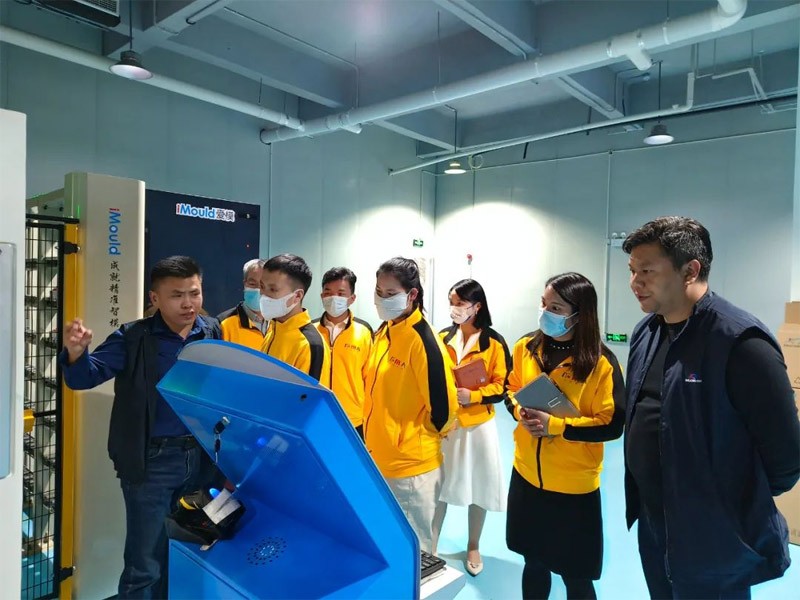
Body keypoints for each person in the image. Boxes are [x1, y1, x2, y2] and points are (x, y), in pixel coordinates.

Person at [623, 216, 800, 599]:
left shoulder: (741, 343)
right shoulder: (646, 332)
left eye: (647, 271)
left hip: (715, 539)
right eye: (632, 271)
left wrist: (725, 503)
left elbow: (786, 458)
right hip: (655, 527)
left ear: (690, 270)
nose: (635, 282)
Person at [60, 256, 222, 599]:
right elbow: (85, 377)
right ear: (155, 298)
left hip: (201, 458)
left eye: (194, 293)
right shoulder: (133, 337)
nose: (188, 303)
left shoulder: (211, 331)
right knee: (145, 562)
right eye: (177, 295)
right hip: (152, 462)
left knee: (189, 550)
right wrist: (76, 353)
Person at [505, 272, 625, 600]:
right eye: (544, 304)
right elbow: (510, 387)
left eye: (556, 308)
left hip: (573, 489)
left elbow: (612, 424)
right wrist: (520, 411)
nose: (545, 312)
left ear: (579, 314)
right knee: (533, 563)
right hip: (526, 476)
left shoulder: (601, 363)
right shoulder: (526, 347)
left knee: (576, 577)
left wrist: (556, 426)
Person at [363, 257, 458, 553]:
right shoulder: (384, 333)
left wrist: (408, 438)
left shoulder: (423, 341)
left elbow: (444, 411)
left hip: (411, 468)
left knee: (414, 553)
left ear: (412, 294)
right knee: (384, 545)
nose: (382, 299)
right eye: (379, 292)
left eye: (391, 294)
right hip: (379, 458)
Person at [431, 279, 510, 575]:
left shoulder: (494, 343)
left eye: (460, 304)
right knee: (438, 485)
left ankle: (473, 544)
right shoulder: (442, 337)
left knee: (479, 485)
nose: (454, 309)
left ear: (477, 307)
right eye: (452, 303)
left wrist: (473, 396)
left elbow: (502, 387)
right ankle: (430, 545)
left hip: (478, 427)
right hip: (447, 425)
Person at [313, 267, 373, 438]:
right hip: (316, 415)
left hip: (353, 419)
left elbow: (370, 379)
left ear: (352, 298)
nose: (334, 298)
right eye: (328, 292)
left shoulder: (364, 331)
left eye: (341, 293)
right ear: (322, 296)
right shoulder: (310, 330)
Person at [259, 253, 330, 386]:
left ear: (297, 296)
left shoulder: (310, 345)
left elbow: (309, 397)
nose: (264, 295)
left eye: (273, 289)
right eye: (262, 287)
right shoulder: (274, 329)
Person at [217, 259, 268, 350]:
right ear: (245, 284)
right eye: (252, 284)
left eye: (263, 285)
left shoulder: (278, 323)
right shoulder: (223, 323)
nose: (258, 289)